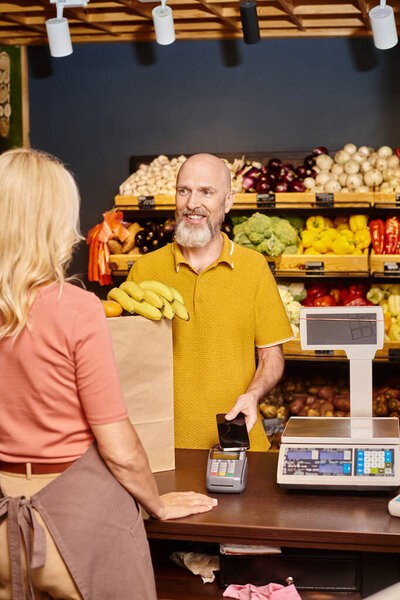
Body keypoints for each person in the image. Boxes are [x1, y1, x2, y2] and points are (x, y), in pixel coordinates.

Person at [0, 148, 217, 600]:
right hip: (71, 526)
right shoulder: (77, 308)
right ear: (54, 220)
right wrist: (155, 503)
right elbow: (117, 447)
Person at [128, 153, 294, 452]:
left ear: (228, 202)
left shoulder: (254, 267)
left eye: (207, 192)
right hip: (165, 444)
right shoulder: (145, 271)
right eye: (184, 191)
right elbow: (131, 363)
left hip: (238, 441)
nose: (193, 203)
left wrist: (253, 395)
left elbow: (272, 358)